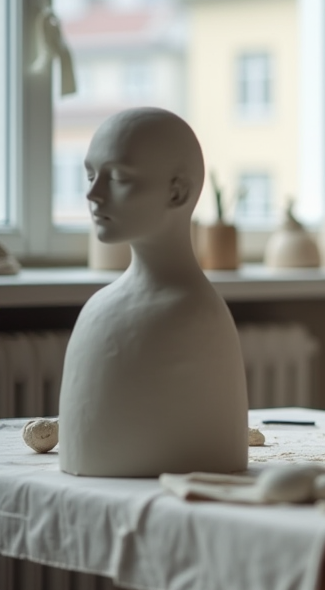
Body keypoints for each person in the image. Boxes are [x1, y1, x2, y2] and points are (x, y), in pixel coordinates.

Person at [58, 108, 248, 477]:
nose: (93, 194)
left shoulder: (195, 315)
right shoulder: (100, 310)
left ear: (177, 192)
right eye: (91, 175)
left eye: (119, 178)